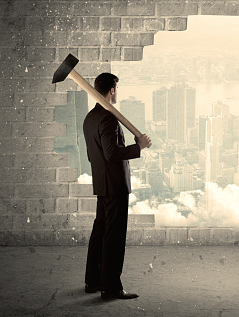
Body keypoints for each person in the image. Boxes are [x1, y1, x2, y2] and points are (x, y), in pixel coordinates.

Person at [83, 72, 151, 300]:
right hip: (114, 185)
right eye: (116, 89)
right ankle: (111, 287)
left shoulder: (90, 118)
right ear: (112, 90)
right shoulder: (108, 117)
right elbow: (112, 153)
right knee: (113, 236)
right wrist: (138, 146)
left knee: (100, 231)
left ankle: (92, 281)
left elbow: (94, 155)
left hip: (102, 183)